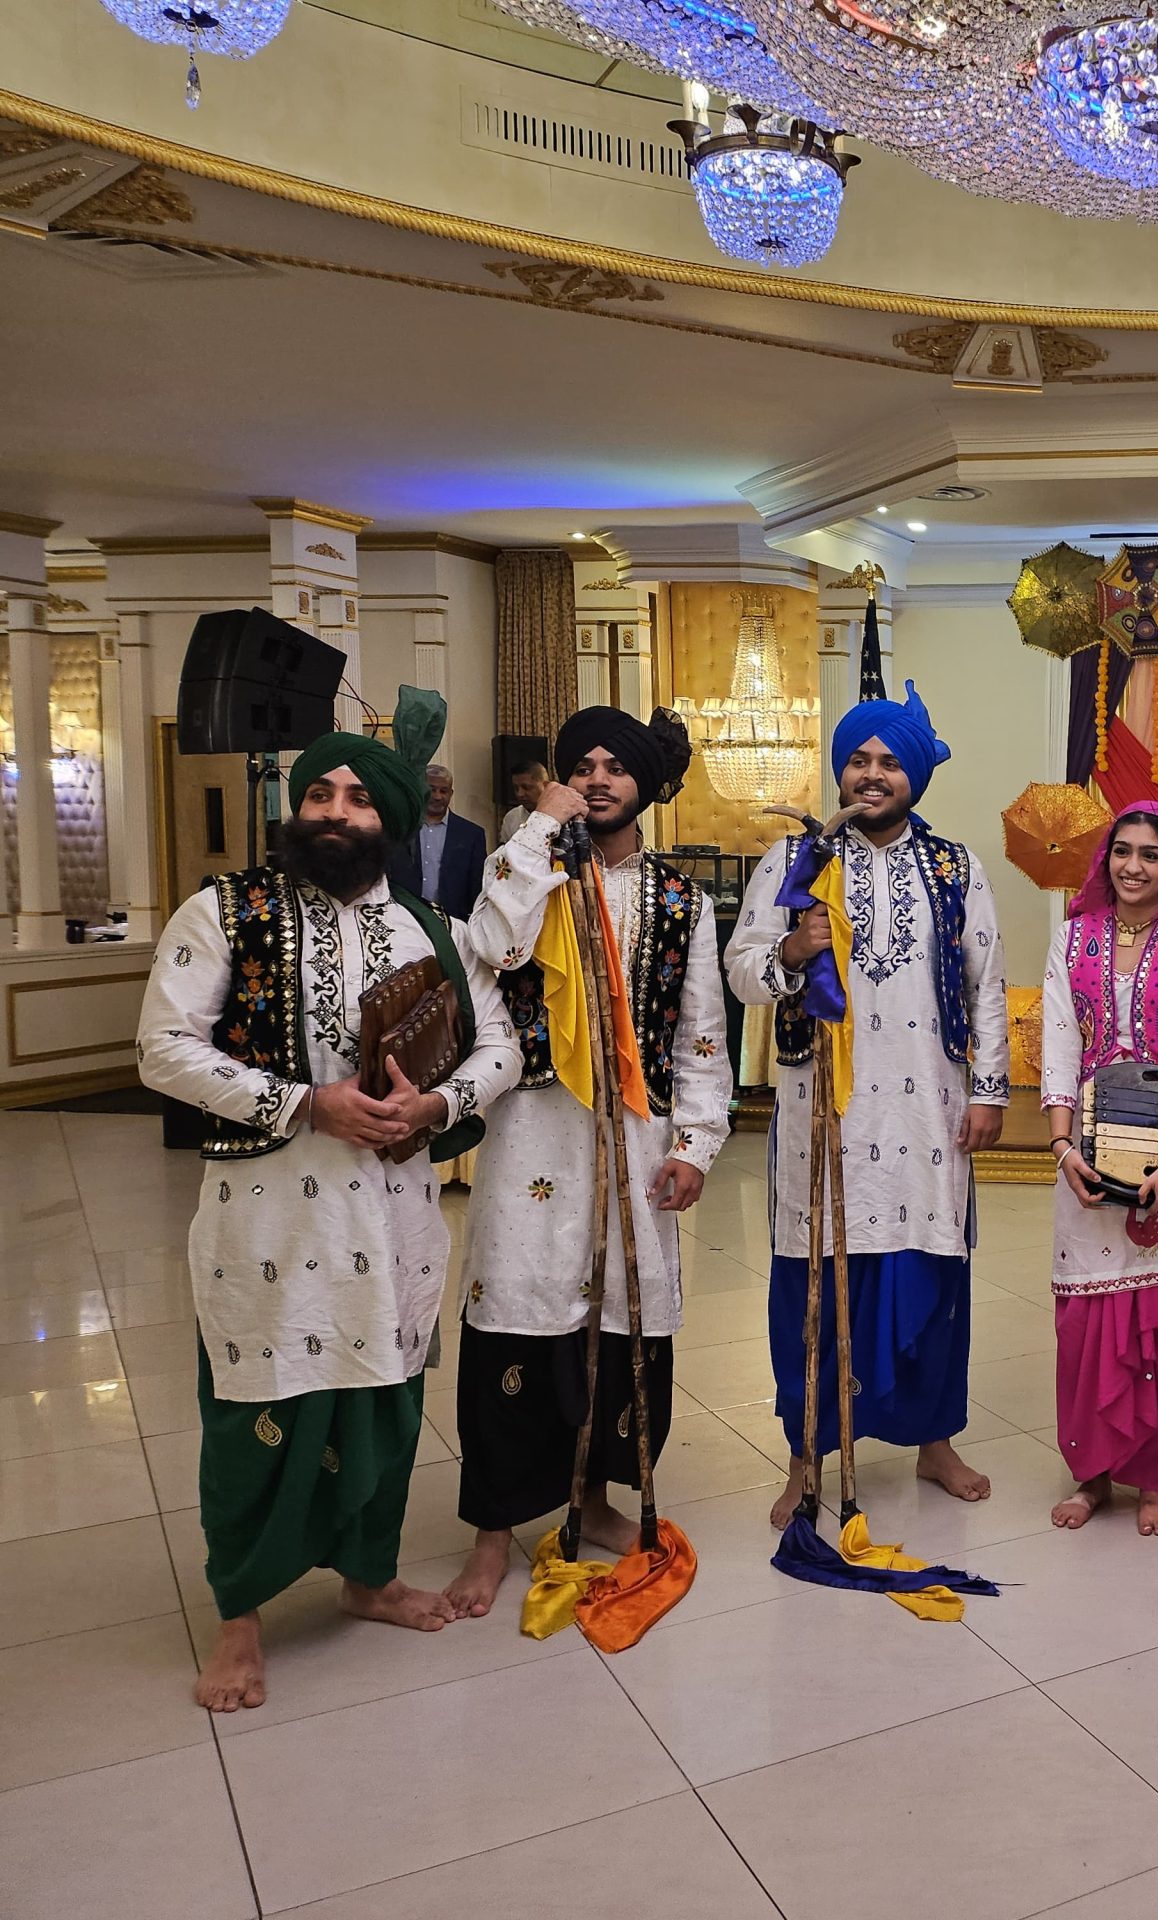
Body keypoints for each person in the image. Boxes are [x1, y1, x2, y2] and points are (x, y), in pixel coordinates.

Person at [135, 724, 520, 1711]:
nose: (336, 813)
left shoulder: (438, 930)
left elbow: (502, 1048)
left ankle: (368, 1578)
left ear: (391, 819)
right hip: (267, 1227)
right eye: (320, 795)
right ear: (296, 808)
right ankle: (239, 1619)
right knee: (257, 1410)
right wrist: (306, 1103)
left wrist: (437, 1107)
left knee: (382, 1402)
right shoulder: (225, 911)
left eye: (359, 799)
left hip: (393, 1221)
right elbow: (162, 1049)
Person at [443, 708, 731, 1618]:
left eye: (616, 766)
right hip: (533, 1130)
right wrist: (540, 826)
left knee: (619, 1317)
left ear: (644, 784)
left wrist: (695, 1145)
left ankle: (595, 1499)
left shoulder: (683, 902)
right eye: (582, 766)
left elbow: (701, 1036)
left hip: (635, 1137)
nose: (599, 779)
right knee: (514, 1307)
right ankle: (493, 1532)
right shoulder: (527, 872)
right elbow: (493, 944)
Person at [728, 679, 1009, 1521]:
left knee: (931, 1276)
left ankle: (934, 1441)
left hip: (928, 1113)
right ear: (840, 770)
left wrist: (990, 1092)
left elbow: (986, 984)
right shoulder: (795, 859)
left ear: (914, 775)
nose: (872, 774)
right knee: (814, 1282)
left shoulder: (956, 866)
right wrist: (790, 946)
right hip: (825, 1114)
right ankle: (805, 1456)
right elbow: (741, 972)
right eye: (858, 759)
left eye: (889, 761)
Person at [1042, 803, 1158, 1535]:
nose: (1133, 866)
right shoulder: (1072, 937)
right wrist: (1062, 1148)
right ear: (1106, 858)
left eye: (1151, 855)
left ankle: (1156, 1478)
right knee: (1086, 1319)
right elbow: (1059, 1041)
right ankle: (1092, 1474)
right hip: (1087, 1151)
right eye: (1122, 851)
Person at [388, 763, 487, 918]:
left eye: (443, 791)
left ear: (451, 793)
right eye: (431, 790)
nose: (437, 796)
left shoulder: (471, 834)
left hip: (453, 920)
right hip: (405, 917)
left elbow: (477, 885)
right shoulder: (400, 829)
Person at [498, 754, 549, 843]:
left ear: (545, 786)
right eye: (516, 788)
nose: (519, 794)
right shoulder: (512, 817)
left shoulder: (562, 816)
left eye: (527, 787)